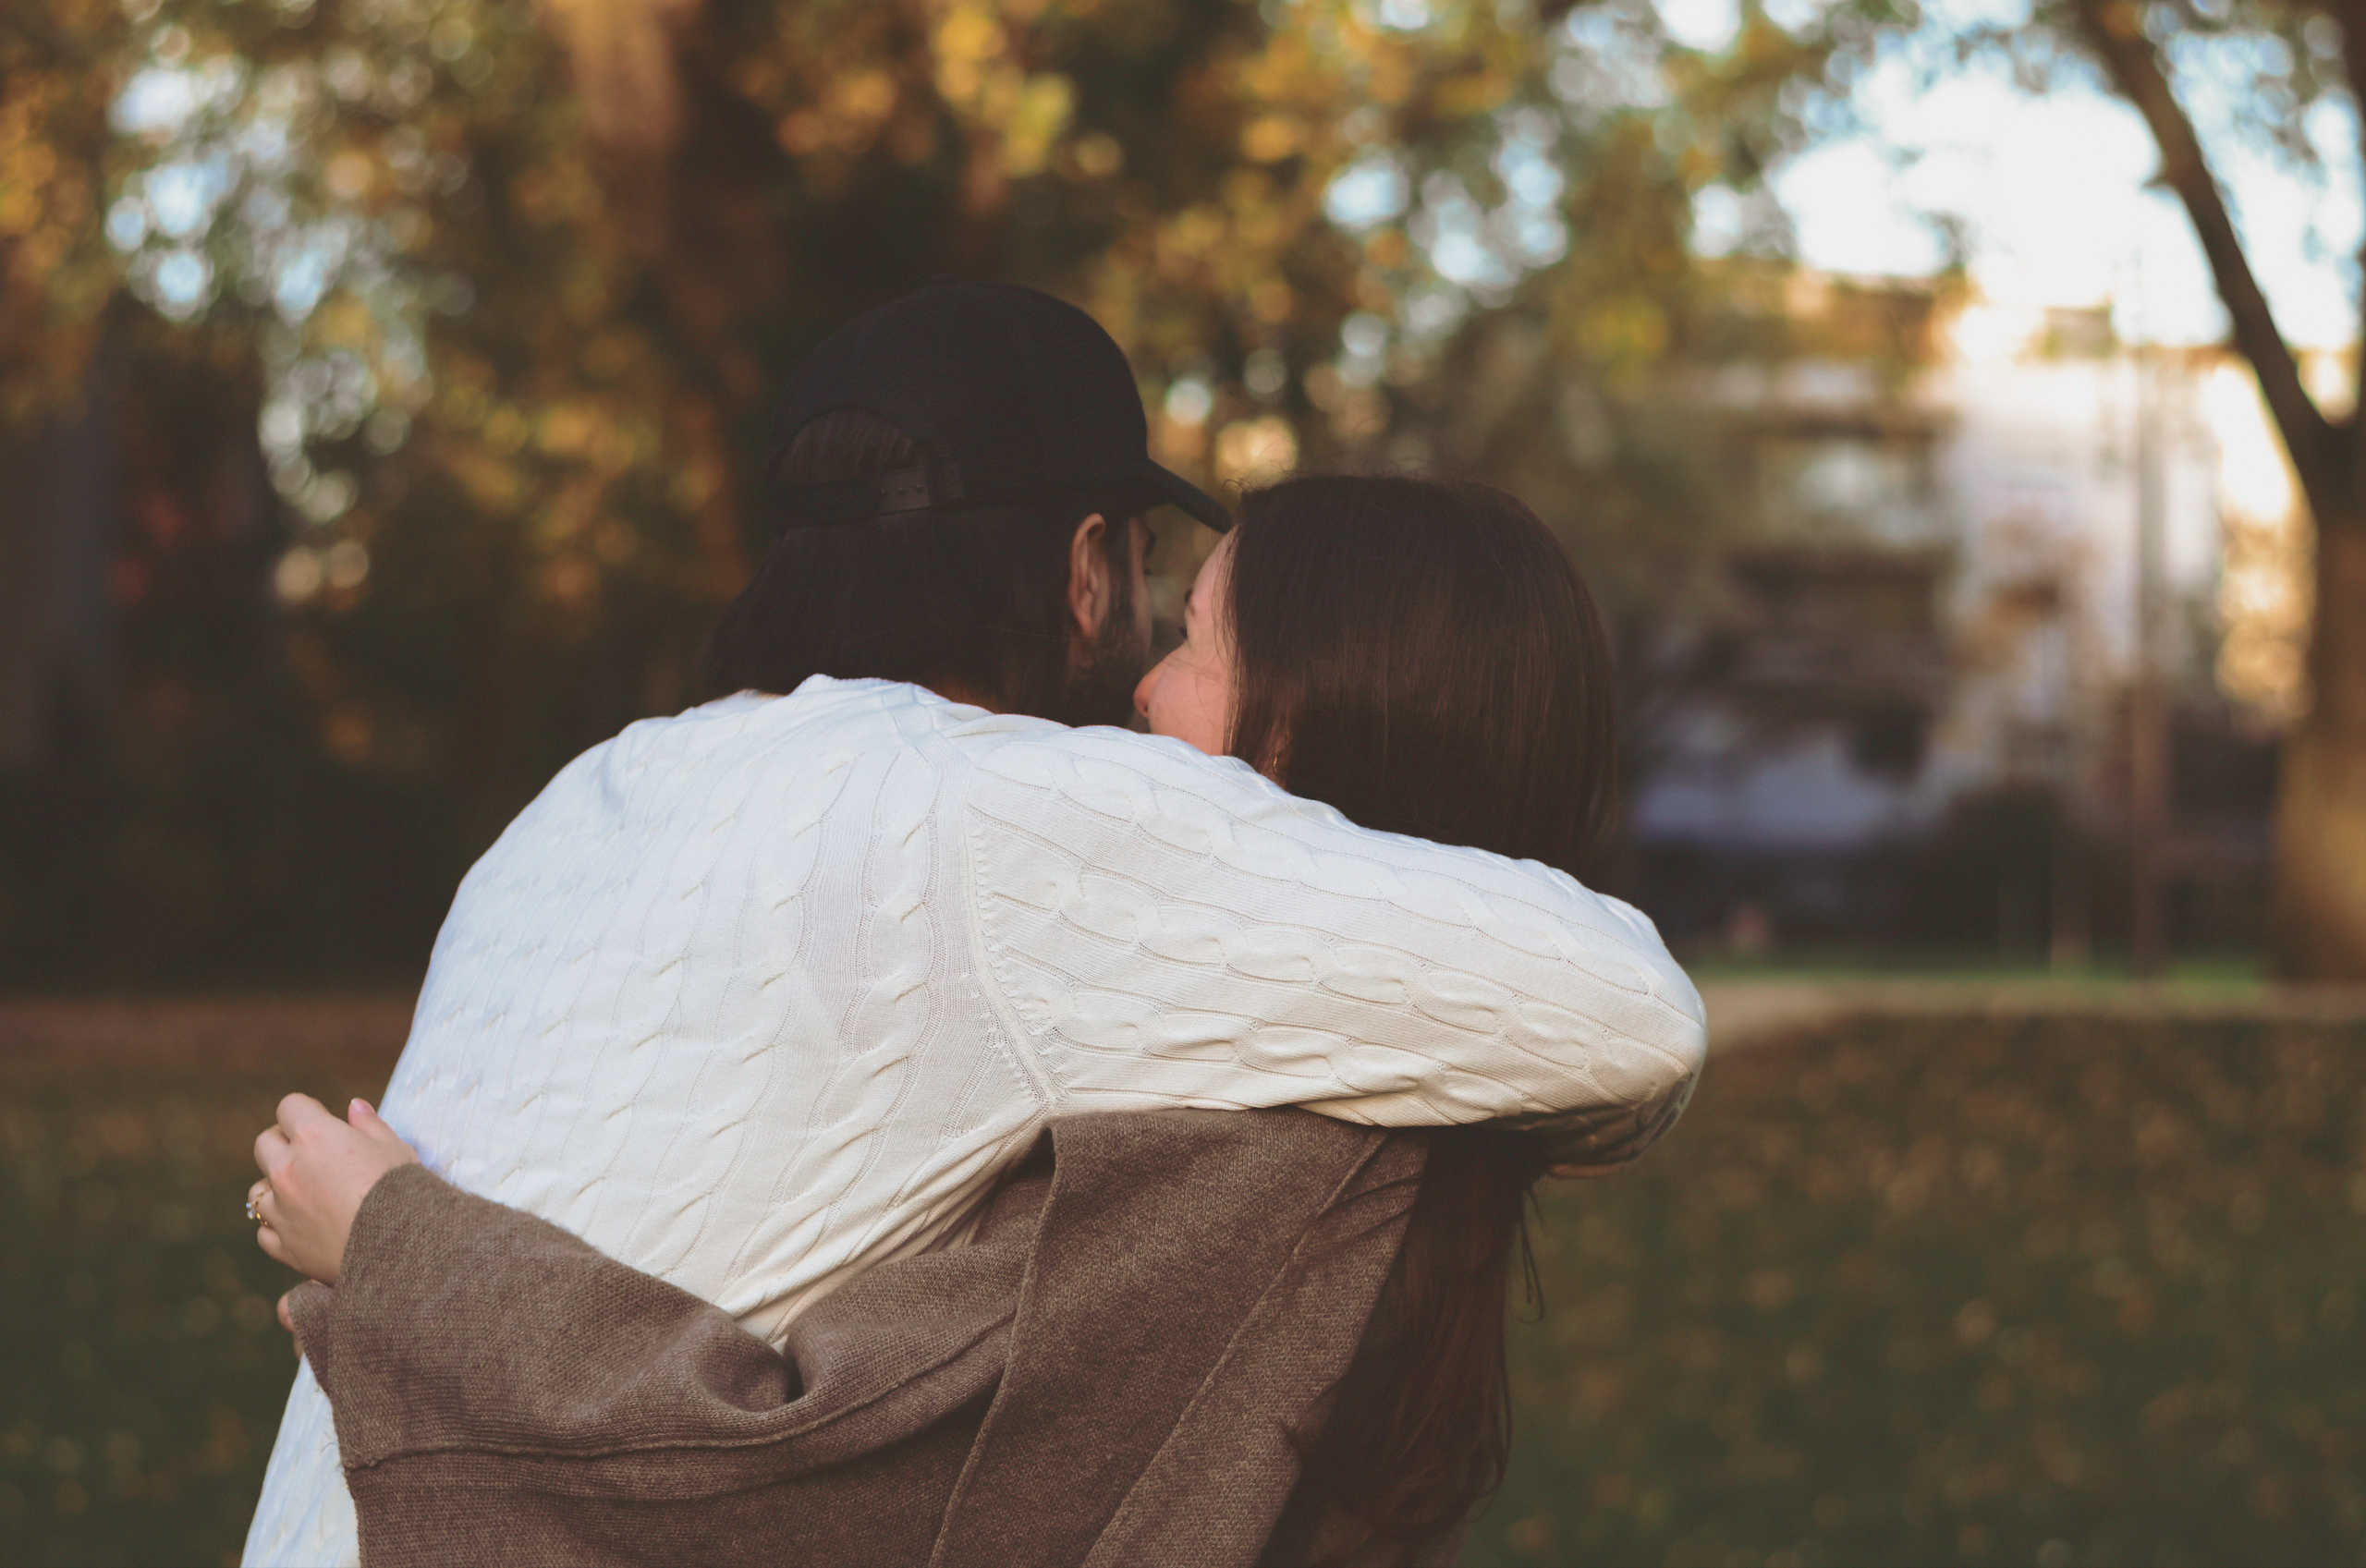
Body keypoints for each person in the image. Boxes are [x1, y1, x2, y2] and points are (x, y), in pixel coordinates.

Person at [242, 281, 1706, 1565]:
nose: (1141, 677)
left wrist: (393, 1253)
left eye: (1194, 636)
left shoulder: (576, 802)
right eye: (1158, 597)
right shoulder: (1018, 816)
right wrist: (404, 1257)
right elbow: (1629, 1014)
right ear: (1080, 570)